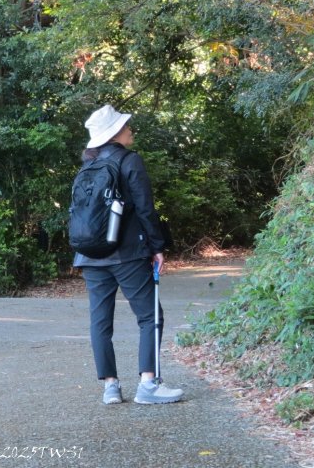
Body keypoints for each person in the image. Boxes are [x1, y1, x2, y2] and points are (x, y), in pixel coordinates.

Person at [74, 105, 184, 405]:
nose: (130, 129)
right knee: (150, 316)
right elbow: (145, 208)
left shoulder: (88, 165)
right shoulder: (129, 161)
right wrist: (157, 247)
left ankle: (110, 387)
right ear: (115, 134)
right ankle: (148, 384)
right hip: (127, 254)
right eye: (125, 126)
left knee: (100, 322)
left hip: (89, 255)